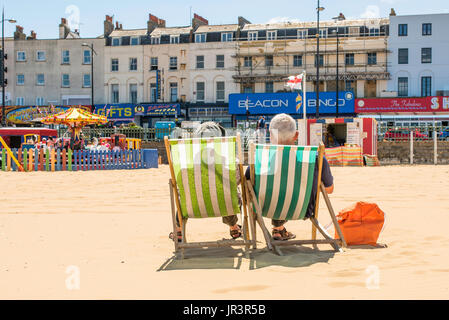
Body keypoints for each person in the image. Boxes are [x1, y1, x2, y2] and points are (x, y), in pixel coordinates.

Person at [246, 113, 335, 241]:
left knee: (276, 189)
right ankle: (279, 228)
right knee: (288, 188)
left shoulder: (260, 160)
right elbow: (329, 189)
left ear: (270, 134)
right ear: (296, 135)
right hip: (302, 209)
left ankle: (278, 228)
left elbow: (247, 188)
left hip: (266, 209)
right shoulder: (314, 158)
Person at [169, 121, 243, 242]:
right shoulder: (230, 163)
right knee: (228, 192)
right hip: (224, 204)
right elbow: (238, 181)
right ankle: (234, 227)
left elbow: (179, 182)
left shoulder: (187, 165)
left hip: (193, 206)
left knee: (184, 195)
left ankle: (178, 230)